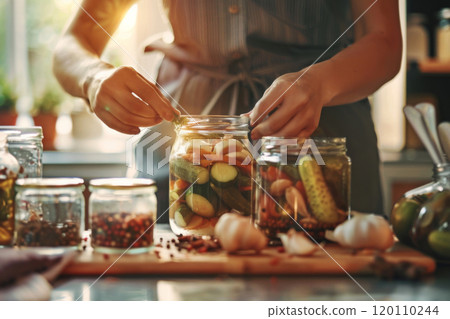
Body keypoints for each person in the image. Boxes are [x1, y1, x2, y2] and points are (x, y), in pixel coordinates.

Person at [53, 0, 402, 218]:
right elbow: (73, 42)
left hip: (319, 134)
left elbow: (385, 43)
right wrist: (92, 77)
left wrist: (320, 83)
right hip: (183, 138)